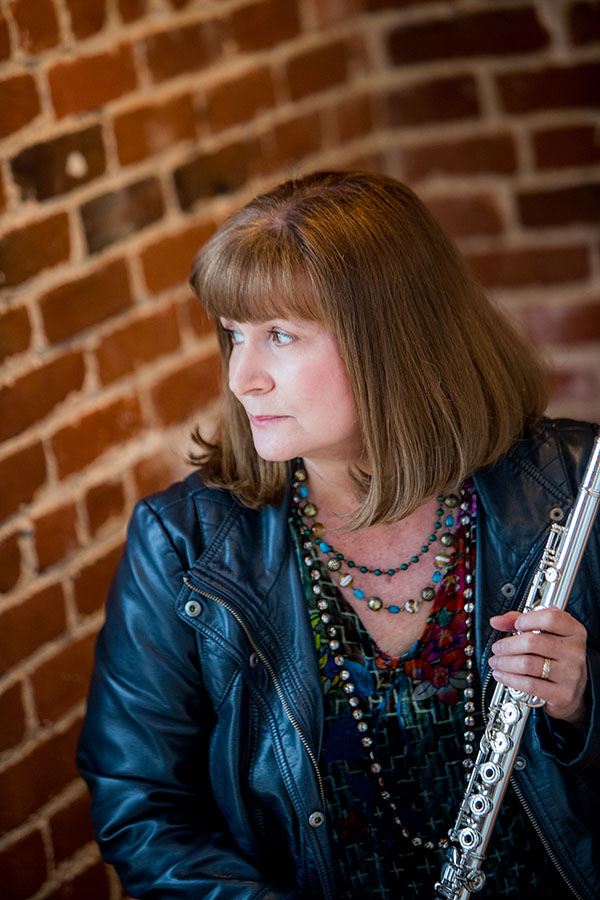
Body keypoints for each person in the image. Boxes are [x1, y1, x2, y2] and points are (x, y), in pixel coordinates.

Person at [77, 171, 599, 900]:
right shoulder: (181, 543)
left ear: (392, 339)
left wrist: (584, 706)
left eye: (280, 336)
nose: (242, 378)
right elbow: (146, 814)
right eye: (233, 335)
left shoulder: (572, 486)